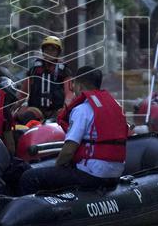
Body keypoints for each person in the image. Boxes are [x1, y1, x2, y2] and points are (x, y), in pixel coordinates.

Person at [18, 66, 129, 195]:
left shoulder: (82, 109)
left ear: (80, 86)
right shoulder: (114, 105)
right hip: (115, 173)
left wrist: (57, 168)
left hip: (92, 175)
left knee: (29, 177)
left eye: (74, 84)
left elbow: (69, 151)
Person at [25, 36, 68, 120]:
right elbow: (23, 93)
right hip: (36, 110)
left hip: (57, 111)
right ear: (43, 51)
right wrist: (20, 106)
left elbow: (69, 94)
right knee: (22, 118)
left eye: (53, 50)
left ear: (58, 52)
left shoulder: (64, 71)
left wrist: (65, 108)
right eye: (47, 50)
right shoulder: (34, 70)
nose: (49, 52)